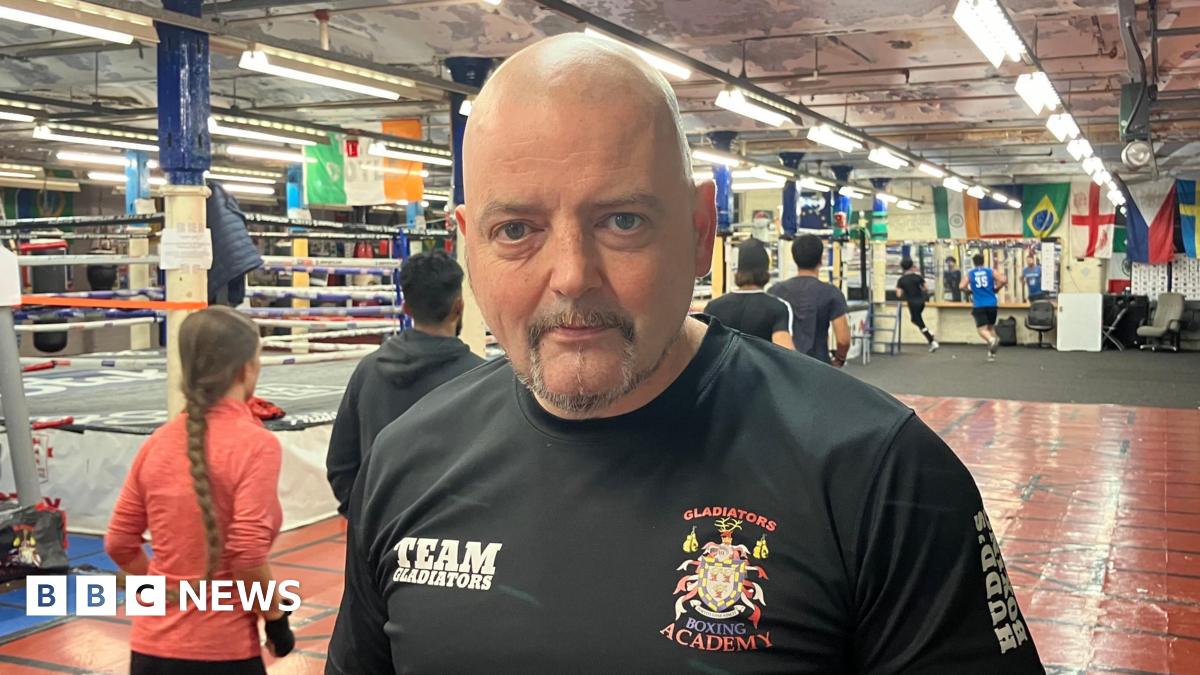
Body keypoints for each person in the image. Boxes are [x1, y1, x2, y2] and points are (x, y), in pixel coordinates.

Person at [327, 35, 1042, 673]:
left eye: (623, 220)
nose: (572, 274)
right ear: (468, 246)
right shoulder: (405, 462)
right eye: (517, 229)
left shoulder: (876, 474)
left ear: (701, 231)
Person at [105, 307, 294, 675]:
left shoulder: (157, 443)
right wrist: (275, 618)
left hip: (150, 651)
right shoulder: (255, 445)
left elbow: (118, 542)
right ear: (246, 369)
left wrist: (166, 592)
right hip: (221, 652)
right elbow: (248, 554)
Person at [326, 249, 483, 516]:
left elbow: (341, 466)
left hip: (383, 542)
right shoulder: (481, 379)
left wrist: (370, 523)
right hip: (458, 544)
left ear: (406, 308)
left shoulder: (368, 371)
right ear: (459, 306)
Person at [768, 234, 851, 367]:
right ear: (820, 260)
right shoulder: (831, 293)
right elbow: (843, 339)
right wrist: (839, 359)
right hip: (819, 366)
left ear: (795, 259)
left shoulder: (775, 291)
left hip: (785, 367)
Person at [702, 237, 793, 349]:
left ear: (739, 270)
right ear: (765, 271)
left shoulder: (714, 307)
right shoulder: (777, 308)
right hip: (759, 366)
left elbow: (703, 347)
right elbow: (785, 352)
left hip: (725, 367)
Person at [961, 253, 1008, 362]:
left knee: (982, 330)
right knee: (990, 328)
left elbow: (961, 286)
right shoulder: (990, 271)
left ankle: (992, 340)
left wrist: (969, 292)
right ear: (983, 261)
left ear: (974, 262)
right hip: (992, 304)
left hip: (979, 304)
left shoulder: (970, 273)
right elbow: (1004, 280)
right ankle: (991, 354)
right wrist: (997, 288)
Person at [895, 257, 939, 352]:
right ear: (911, 266)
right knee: (916, 320)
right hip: (921, 302)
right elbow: (926, 288)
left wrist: (904, 291)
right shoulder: (918, 277)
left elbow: (898, 294)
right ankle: (930, 335)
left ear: (902, 268)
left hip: (912, 303)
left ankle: (932, 340)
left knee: (917, 321)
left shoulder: (901, 280)